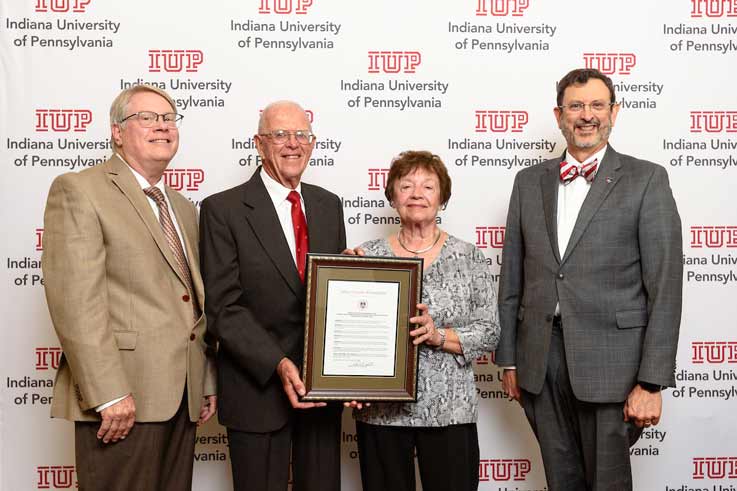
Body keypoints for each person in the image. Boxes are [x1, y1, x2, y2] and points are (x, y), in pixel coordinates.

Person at [496, 68, 683, 491]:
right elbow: (512, 276)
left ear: (614, 112)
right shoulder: (528, 182)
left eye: (597, 105)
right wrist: (508, 358)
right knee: (560, 482)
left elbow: (665, 287)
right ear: (559, 115)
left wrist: (651, 382)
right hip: (540, 363)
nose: (586, 115)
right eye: (576, 106)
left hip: (614, 366)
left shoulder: (647, 179)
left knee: (607, 484)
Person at [41, 84, 217, 491]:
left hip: (181, 398)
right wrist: (107, 394)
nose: (162, 127)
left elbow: (191, 303)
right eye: (148, 118)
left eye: (169, 118)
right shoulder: (80, 189)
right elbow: (75, 302)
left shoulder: (184, 207)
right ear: (117, 132)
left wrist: (204, 380)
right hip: (122, 400)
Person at [199, 101, 346, 491]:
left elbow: (332, 300)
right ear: (259, 144)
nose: (292, 144)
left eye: (302, 135)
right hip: (257, 390)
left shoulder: (328, 205)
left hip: (321, 393)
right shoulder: (222, 209)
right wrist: (279, 364)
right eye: (280, 135)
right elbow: (223, 307)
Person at [350, 150, 499, 491]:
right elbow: (351, 332)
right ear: (392, 196)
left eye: (428, 186)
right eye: (406, 186)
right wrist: (340, 278)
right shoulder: (366, 256)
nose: (417, 194)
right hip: (381, 412)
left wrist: (438, 335)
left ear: (442, 197)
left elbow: (490, 332)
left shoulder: (469, 256)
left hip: (450, 411)